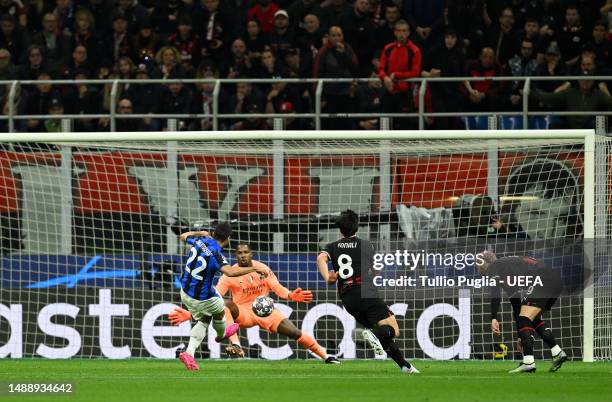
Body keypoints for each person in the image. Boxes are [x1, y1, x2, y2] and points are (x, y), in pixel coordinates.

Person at [169, 243, 340, 363]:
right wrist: (190, 313)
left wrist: (290, 295)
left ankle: (326, 356)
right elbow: (213, 300)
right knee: (225, 304)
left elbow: (276, 287)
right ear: (236, 256)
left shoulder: (262, 268)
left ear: (251, 254)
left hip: (266, 311)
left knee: (295, 333)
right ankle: (236, 345)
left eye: (245, 252)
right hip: (243, 313)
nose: (243, 255)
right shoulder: (230, 274)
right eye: (239, 253)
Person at [316, 209, 420, 373]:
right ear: (356, 227)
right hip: (365, 292)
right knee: (393, 329)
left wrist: (328, 277)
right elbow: (375, 270)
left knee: (381, 331)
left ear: (340, 229)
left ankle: (405, 366)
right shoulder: (365, 245)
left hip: (347, 298)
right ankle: (373, 335)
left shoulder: (332, 247)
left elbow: (320, 258)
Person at [173, 222, 270, 371]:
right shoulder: (216, 255)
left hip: (185, 291)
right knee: (221, 309)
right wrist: (254, 268)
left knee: (205, 318)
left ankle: (188, 353)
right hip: (203, 297)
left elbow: (183, 236)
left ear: (212, 233)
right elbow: (230, 272)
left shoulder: (200, 241)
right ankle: (222, 333)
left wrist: (200, 233)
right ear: (228, 238)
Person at [477, 252, 567, 373]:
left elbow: (495, 294)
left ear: (487, 262)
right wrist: (521, 336)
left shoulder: (494, 267)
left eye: (479, 263)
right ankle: (557, 352)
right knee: (531, 318)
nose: (478, 267)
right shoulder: (506, 269)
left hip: (543, 280)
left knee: (525, 318)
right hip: (554, 281)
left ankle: (528, 362)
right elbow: (517, 307)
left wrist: (493, 318)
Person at [378, 19, 422, 130]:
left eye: (404, 31)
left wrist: (396, 75)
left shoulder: (414, 50)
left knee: (404, 127)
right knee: (384, 125)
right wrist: (385, 77)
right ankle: (384, 148)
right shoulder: (387, 48)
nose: (401, 34)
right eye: (399, 31)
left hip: (405, 94)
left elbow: (415, 73)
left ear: (408, 32)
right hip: (388, 92)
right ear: (395, 32)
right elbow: (381, 68)